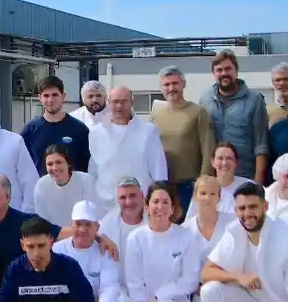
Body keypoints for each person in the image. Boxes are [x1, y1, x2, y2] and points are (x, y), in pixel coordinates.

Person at [124, 183, 204, 302]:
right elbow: (133, 283)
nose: (160, 207)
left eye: (165, 202)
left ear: (173, 208)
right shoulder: (136, 238)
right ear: (146, 206)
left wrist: (159, 297)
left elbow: (190, 280)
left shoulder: (186, 237)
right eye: (155, 202)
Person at [90, 85, 168, 213]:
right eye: (115, 101)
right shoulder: (96, 132)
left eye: (124, 101)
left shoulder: (148, 131)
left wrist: (159, 200)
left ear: (132, 102)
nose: (119, 106)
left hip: (140, 202)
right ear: (108, 103)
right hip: (105, 204)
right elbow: (93, 170)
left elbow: (158, 169)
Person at [149, 67, 215, 215]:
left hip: (189, 186)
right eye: (166, 84)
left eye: (175, 83)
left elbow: (208, 149)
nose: (171, 88)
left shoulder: (198, 112)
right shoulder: (156, 116)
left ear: (183, 84)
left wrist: (203, 183)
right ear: (161, 88)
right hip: (164, 186)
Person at [197, 49, 268, 185]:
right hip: (215, 176)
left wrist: (258, 181)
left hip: (245, 175)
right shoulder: (205, 100)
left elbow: (261, 144)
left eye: (228, 69)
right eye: (219, 70)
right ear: (213, 73)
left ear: (236, 71)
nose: (224, 73)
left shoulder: (254, 100)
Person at [179, 175, 232, 302]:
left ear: (219, 197)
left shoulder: (232, 223)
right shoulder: (185, 230)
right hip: (201, 292)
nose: (207, 198)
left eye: (212, 193)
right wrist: (196, 287)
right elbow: (183, 269)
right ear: (195, 196)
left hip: (231, 286)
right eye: (202, 193)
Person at [20, 76, 91, 174]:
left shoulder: (79, 129)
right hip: (39, 183)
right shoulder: (30, 130)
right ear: (40, 98)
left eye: (55, 95)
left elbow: (87, 166)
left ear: (63, 96)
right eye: (46, 96)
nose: (50, 100)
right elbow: (22, 164)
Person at [33, 145, 98, 228]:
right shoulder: (41, 185)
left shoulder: (86, 181)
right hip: (54, 234)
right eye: (50, 164)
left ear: (68, 164)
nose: (54, 168)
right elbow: (42, 219)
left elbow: (91, 216)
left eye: (59, 162)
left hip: (82, 231)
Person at [97, 176, 148, 261]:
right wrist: (99, 238)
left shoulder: (154, 219)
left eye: (132, 196)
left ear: (142, 196)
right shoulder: (108, 223)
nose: (128, 202)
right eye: (123, 197)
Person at [210, 143, 247, 213]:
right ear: (212, 162)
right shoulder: (203, 189)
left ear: (236, 163)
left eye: (229, 158)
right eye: (220, 158)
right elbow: (192, 218)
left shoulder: (249, 187)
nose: (224, 163)